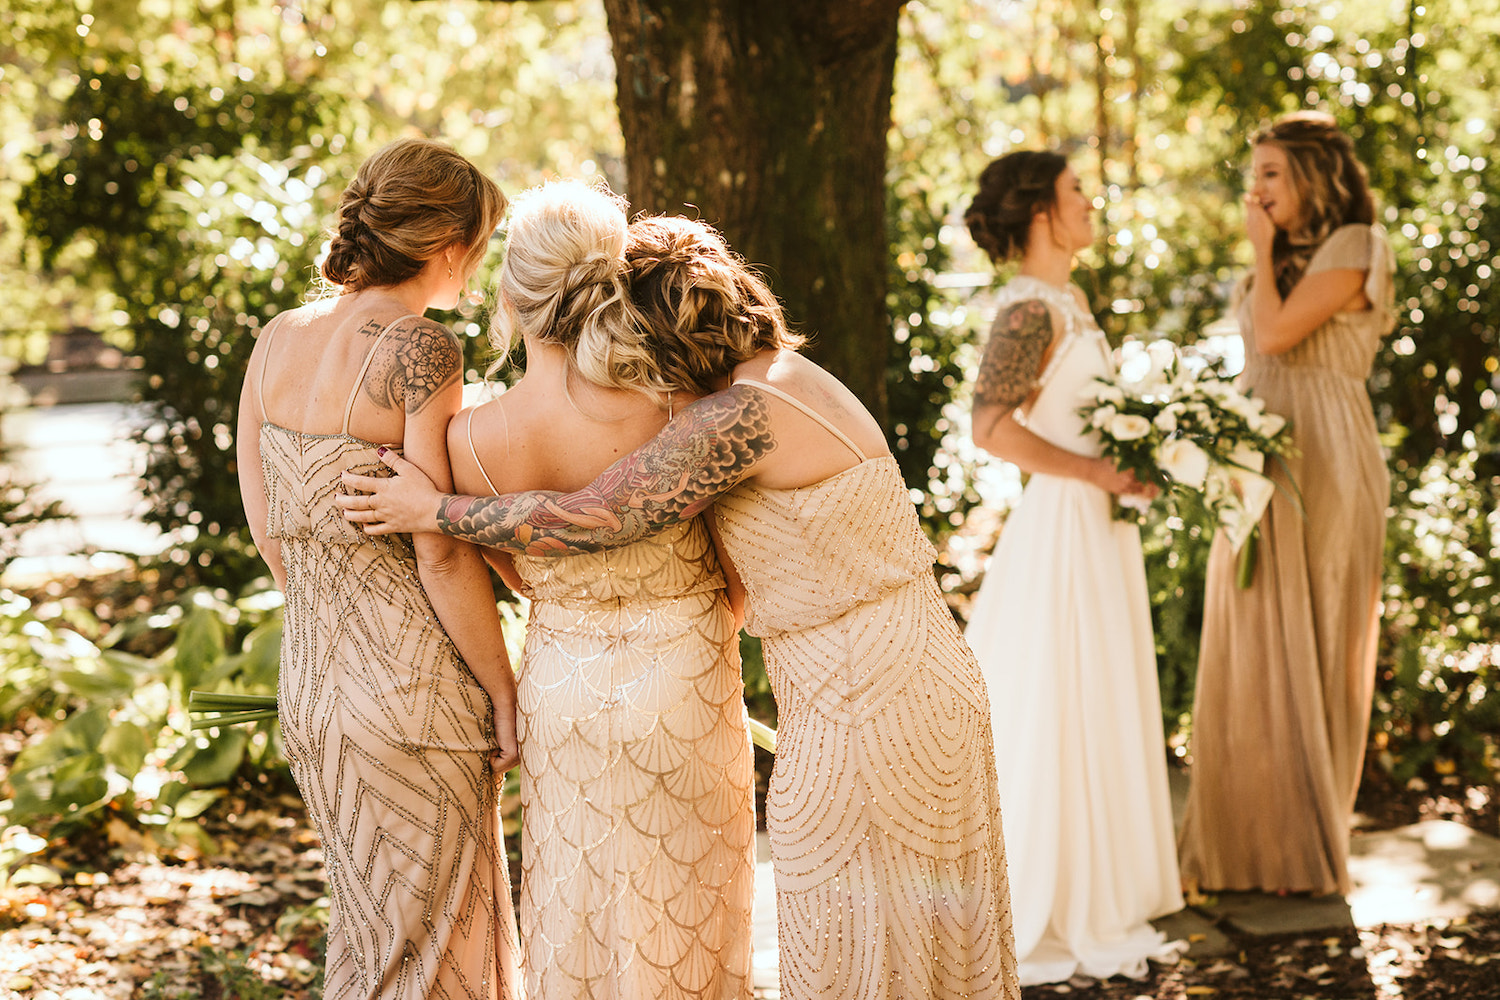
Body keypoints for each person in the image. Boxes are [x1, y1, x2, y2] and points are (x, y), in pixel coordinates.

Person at [338, 215, 1022, 1000]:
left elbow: (601, 514)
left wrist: (435, 510)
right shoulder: (777, 380)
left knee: (862, 926)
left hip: (871, 690)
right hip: (889, 670)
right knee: (904, 930)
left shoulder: (740, 414)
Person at [453, 182, 757, 999]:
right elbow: (735, 553)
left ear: (510, 299)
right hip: (687, 665)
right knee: (692, 906)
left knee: (576, 905)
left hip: (562, 683)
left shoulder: (471, 436)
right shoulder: (676, 400)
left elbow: (518, 569)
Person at [235, 136, 520, 1000]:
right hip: (412, 694)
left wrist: (331, 625)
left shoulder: (278, 339)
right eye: (480, 246)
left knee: (372, 942)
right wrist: (506, 692)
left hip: (315, 689)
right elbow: (435, 547)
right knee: (433, 952)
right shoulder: (421, 351)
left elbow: (265, 521)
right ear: (446, 247)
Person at [958, 150, 1184, 984]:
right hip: (1063, 522)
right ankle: (1056, 892)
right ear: (1042, 213)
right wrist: (1094, 471)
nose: (1091, 200)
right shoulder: (1025, 311)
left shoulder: (1071, 301)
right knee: (1061, 694)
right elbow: (989, 427)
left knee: (1100, 691)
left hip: (1099, 520)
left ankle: (1108, 879)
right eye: (1076, 190)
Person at [1177, 111, 1395, 897]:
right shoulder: (1265, 266)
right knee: (1249, 636)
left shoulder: (1356, 245)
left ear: (1314, 175)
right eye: (1253, 176)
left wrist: (1262, 255)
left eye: (1271, 174)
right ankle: (1246, 850)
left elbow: (1273, 337)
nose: (1256, 191)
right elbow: (1257, 358)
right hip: (1255, 454)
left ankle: (1307, 849)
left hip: (1328, 454)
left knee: (1320, 632)